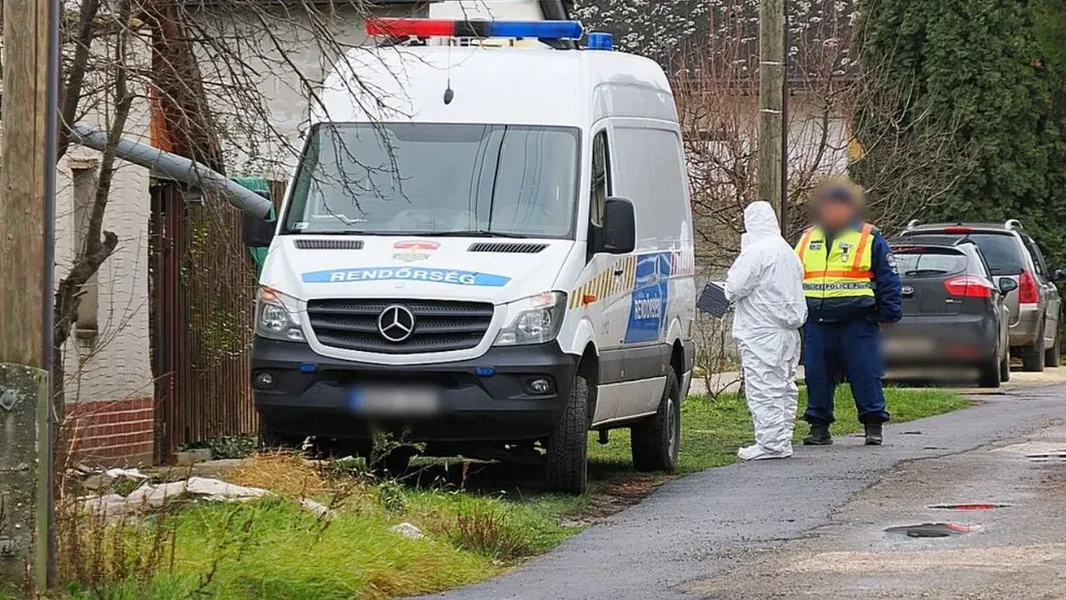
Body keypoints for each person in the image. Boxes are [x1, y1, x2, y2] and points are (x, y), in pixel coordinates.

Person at [795, 181, 902, 446]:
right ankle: (819, 427)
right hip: (818, 321)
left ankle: (873, 426)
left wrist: (888, 313)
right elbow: (793, 273)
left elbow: (888, 277)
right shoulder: (808, 237)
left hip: (858, 321)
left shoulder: (868, 236)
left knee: (865, 373)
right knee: (817, 376)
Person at [725, 201, 808, 460]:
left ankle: (770, 444)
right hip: (788, 331)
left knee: (763, 387)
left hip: (761, 331)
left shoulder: (756, 252)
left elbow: (735, 287)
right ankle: (781, 439)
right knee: (784, 386)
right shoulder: (787, 251)